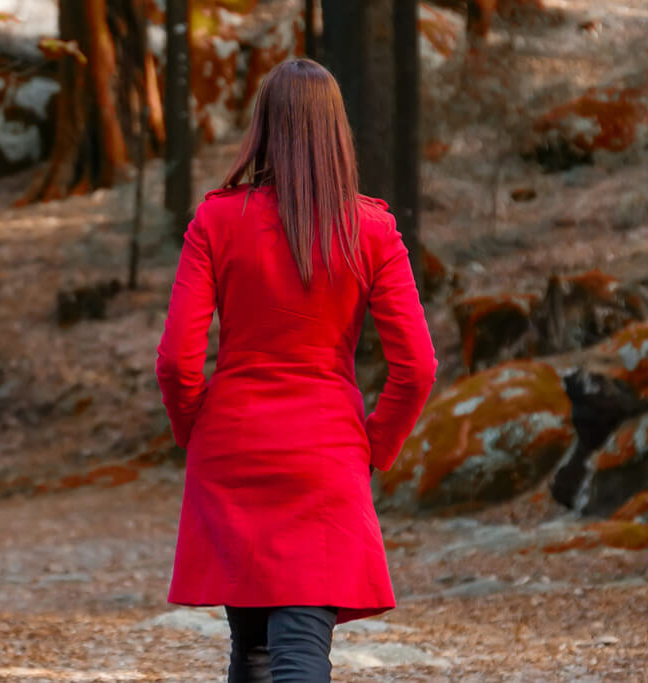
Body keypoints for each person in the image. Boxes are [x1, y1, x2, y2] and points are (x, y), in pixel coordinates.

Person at [154, 58, 438, 683]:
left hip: (232, 448)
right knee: (301, 650)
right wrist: (376, 445)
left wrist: (193, 428)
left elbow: (176, 359)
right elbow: (417, 367)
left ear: (263, 127)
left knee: (253, 648)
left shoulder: (217, 221)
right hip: (326, 455)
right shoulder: (371, 230)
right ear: (337, 132)